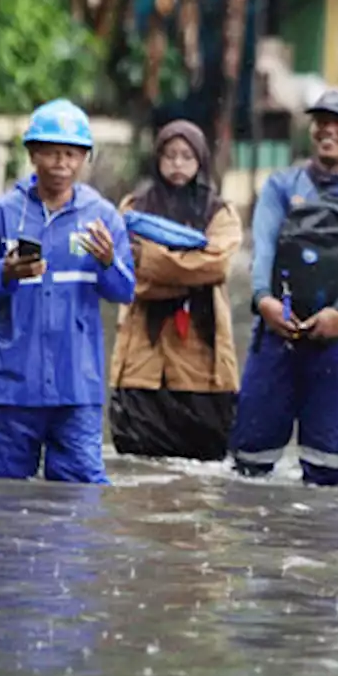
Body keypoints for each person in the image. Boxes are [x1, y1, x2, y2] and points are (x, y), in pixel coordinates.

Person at [229, 88, 338, 486]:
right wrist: (264, 301)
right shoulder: (280, 185)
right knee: (248, 465)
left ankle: (316, 546)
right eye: (321, 121)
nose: (328, 130)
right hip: (276, 332)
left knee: (325, 468)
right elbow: (264, 246)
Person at [0, 99, 135, 484]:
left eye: (71, 154)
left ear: (84, 159)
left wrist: (109, 261)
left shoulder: (103, 217)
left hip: (76, 382)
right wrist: (4, 271)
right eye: (52, 153)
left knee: (79, 493)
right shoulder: (0, 215)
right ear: (32, 154)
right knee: (6, 490)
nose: (61, 164)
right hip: (13, 381)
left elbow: (125, 291)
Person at [109, 120, 242, 461]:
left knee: (202, 471)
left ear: (200, 160)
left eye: (186, 156)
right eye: (169, 155)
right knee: (137, 466)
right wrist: (182, 266)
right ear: (157, 159)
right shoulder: (134, 207)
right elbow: (122, 268)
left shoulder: (219, 212)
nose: (178, 164)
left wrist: (150, 258)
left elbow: (216, 266)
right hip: (141, 360)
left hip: (201, 360)